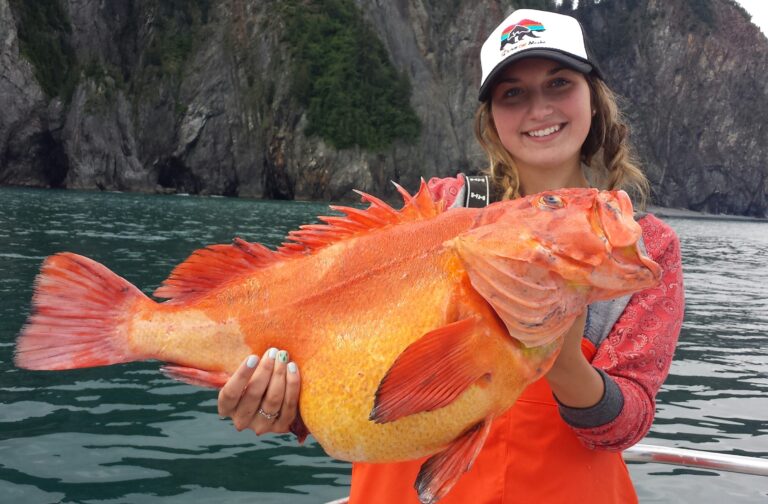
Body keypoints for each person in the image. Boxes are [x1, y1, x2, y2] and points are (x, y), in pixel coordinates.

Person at [216, 8, 685, 503]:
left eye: (559, 83)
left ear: (594, 96)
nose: (539, 108)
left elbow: (625, 426)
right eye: (513, 94)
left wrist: (564, 361)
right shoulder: (441, 208)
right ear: (491, 119)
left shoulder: (643, 245)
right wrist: (285, 403)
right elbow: (347, 351)